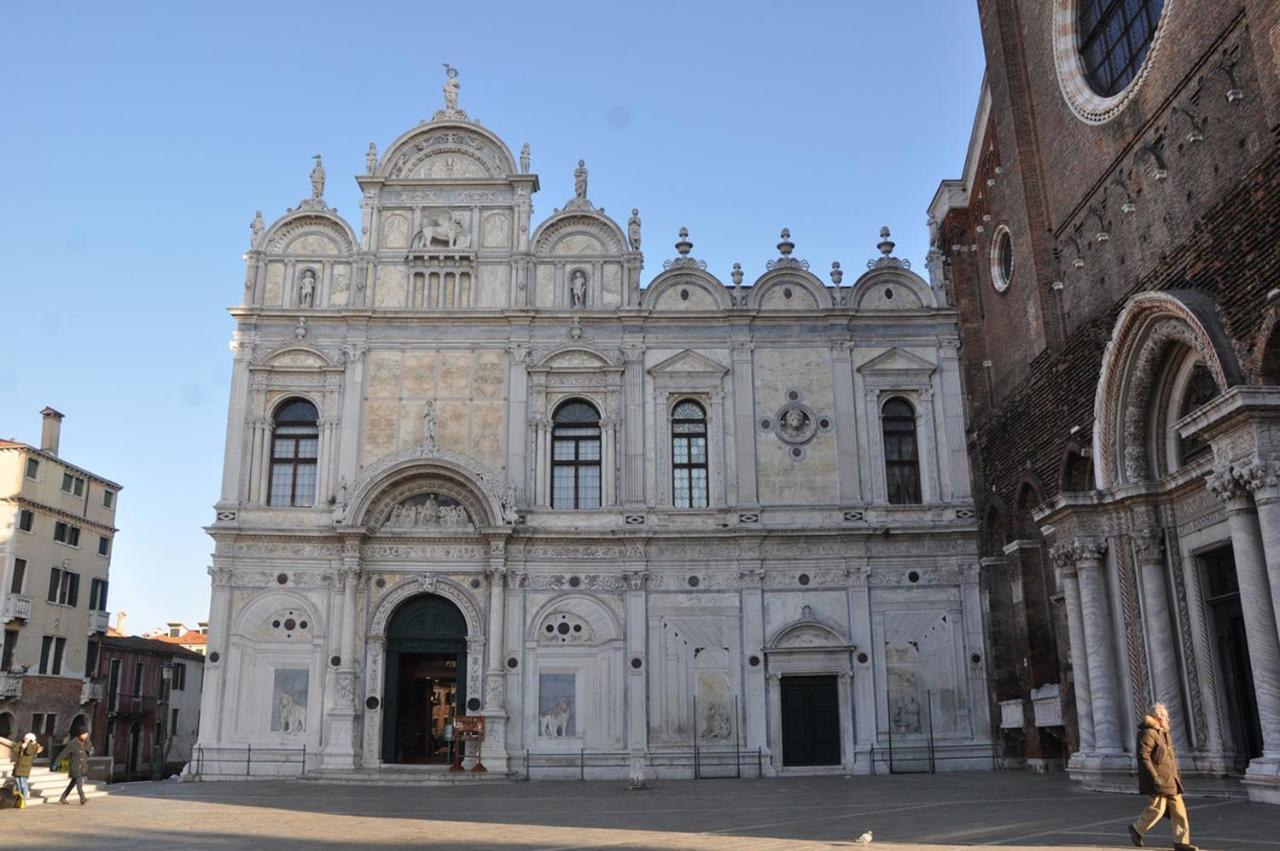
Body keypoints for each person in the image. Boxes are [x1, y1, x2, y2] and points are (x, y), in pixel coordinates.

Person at [1129, 703, 1196, 850]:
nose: (1168, 719)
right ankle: (1137, 829)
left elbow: (1169, 759)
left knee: (1180, 812)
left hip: (1171, 779)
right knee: (1157, 809)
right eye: (1166, 716)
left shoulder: (1163, 733)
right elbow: (1143, 756)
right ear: (1158, 718)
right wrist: (1154, 777)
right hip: (1159, 779)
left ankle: (1181, 842)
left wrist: (1176, 776)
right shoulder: (1148, 733)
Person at [54, 729, 93, 805]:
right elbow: (63, 753)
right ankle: (82, 797)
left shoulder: (88, 743)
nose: (85, 736)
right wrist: (56, 762)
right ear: (80, 734)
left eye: (86, 734)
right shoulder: (72, 744)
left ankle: (63, 797)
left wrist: (90, 751)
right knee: (79, 782)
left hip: (82, 767)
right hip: (75, 767)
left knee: (72, 783)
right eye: (84, 734)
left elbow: (90, 752)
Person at [12, 732, 43, 800]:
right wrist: (21, 743)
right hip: (18, 765)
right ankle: (19, 795)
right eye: (24, 738)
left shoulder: (34, 745)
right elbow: (15, 750)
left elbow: (28, 752)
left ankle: (24, 796)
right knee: (17, 781)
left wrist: (27, 744)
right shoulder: (22, 743)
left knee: (23, 782)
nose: (25, 739)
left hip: (25, 766)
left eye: (27, 738)